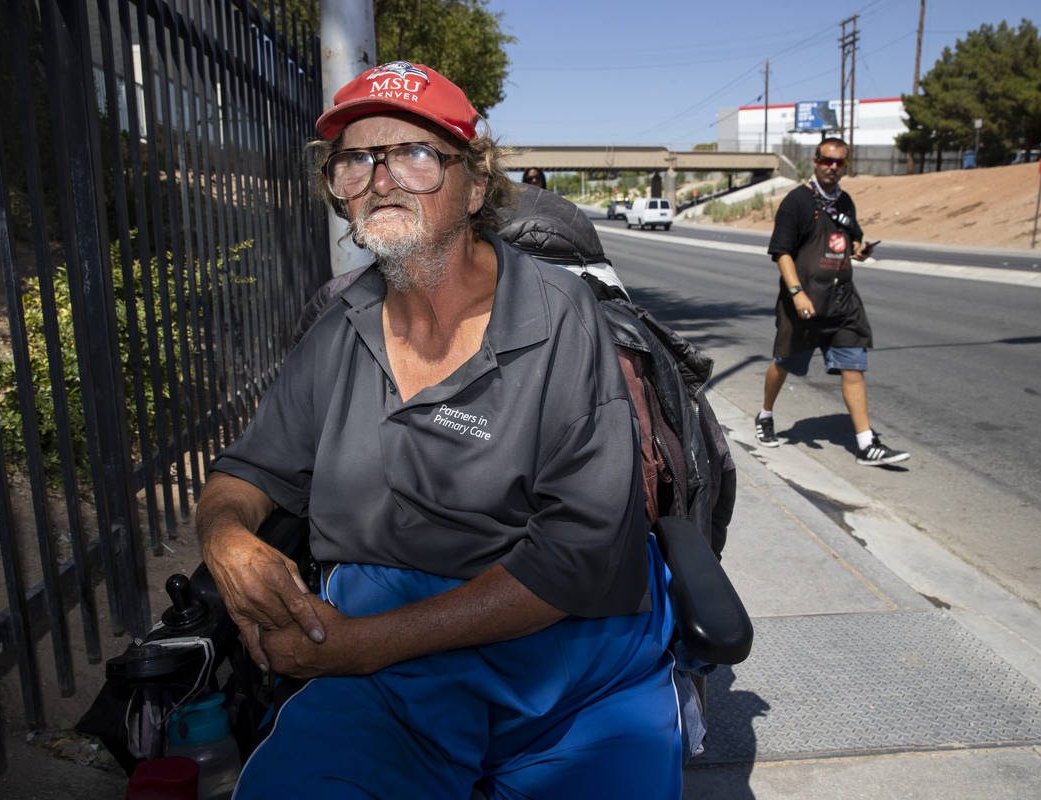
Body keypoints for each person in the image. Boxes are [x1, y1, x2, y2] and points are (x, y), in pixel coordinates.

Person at [195, 61, 682, 798]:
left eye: (416, 155)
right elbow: (249, 472)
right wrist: (226, 538)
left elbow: (577, 560)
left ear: (476, 187)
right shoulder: (340, 327)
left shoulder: (560, 318)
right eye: (356, 159)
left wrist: (359, 646)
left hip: (568, 679)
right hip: (386, 684)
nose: (382, 179)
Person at [754, 137, 910, 467]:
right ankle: (765, 414)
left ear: (845, 165)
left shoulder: (845, 203)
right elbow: (781, 252)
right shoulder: (796, 202)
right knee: (784, 363)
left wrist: (860, 251)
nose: (831, 167)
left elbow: (850, 242)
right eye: (826, 160)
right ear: (815, 160)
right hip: (804, 302)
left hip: (841, 301)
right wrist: (797, 293)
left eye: (839, 163)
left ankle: (867, 443)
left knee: (853, 366)